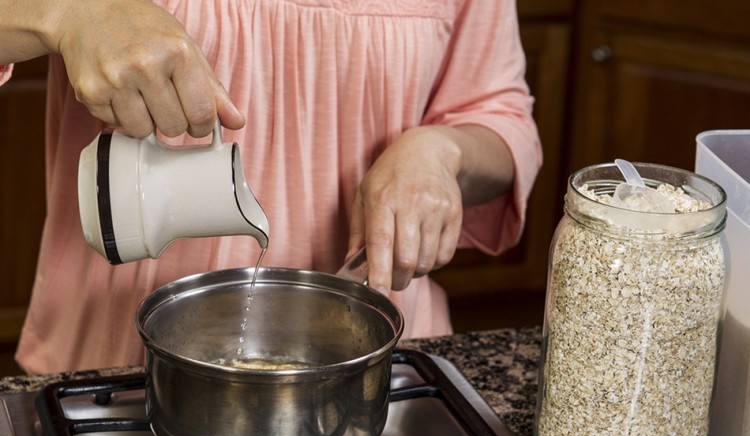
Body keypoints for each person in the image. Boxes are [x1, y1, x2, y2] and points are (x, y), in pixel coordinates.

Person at [0, 0, 541, 374]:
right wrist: (69, 13)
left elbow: (501, 112)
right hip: (112, 360)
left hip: (375, 360)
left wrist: (442, 151)